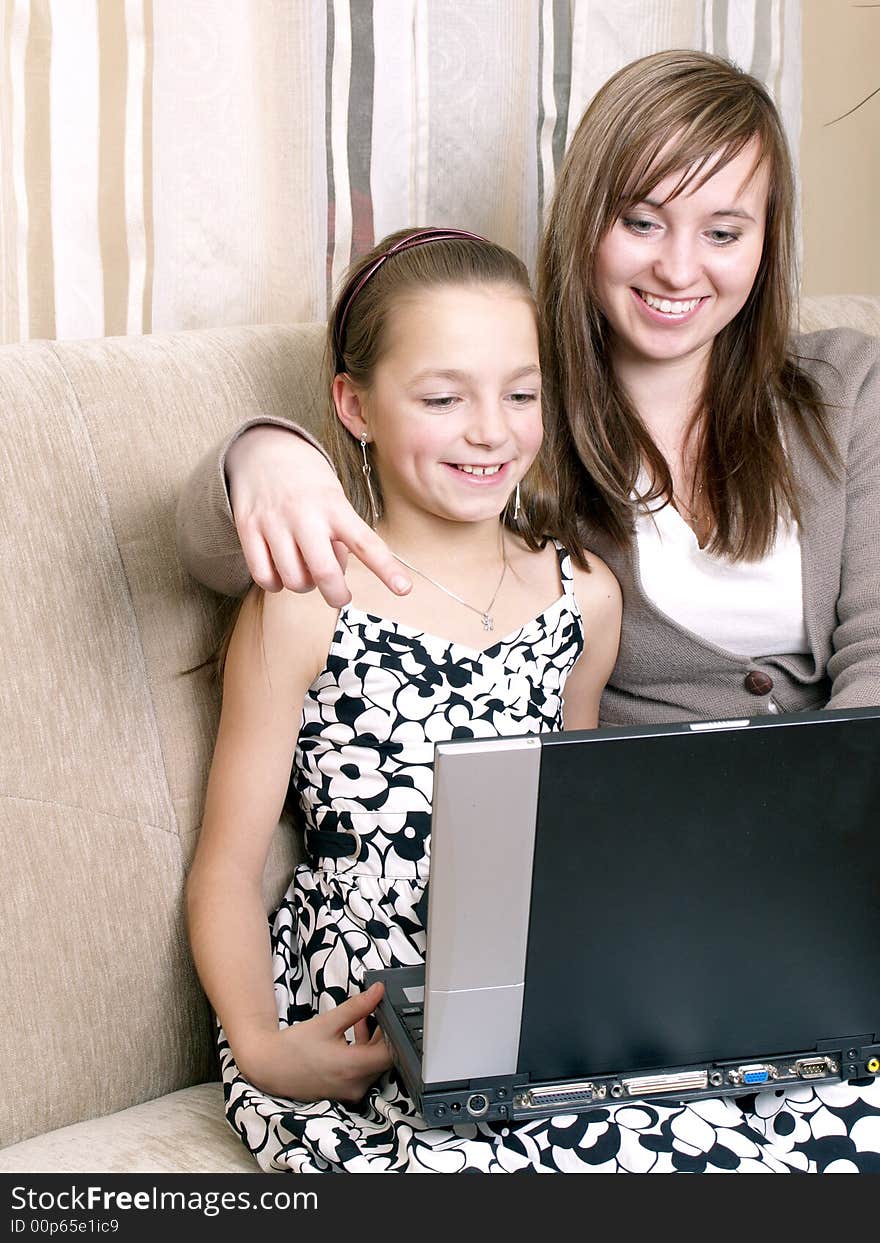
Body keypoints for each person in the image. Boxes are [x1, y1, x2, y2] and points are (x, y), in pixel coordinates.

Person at [179, 51, 880, 1171]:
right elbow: (251, 539)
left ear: (769, 239)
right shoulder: (528, 414)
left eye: (725, 229)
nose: (680, 268)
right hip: (570, 930)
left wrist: (831, 879)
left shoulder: (838, 391)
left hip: (800, 887)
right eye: (641, 219)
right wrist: (263, 456)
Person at [186, 226, 626, 1172]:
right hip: (366, 1008)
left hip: (525, 999)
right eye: (442, 397)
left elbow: (575, 850)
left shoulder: (583, 594)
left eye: (521, 394)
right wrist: (263, 1046)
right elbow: (224, 868)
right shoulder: (308, 600)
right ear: (355, 405)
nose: (491, 430)